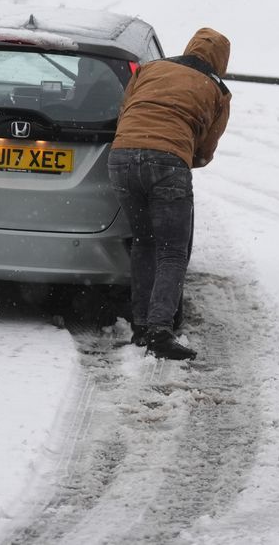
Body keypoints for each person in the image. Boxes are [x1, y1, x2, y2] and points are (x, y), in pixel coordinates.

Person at [108, 28, 232, 360]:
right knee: (172, 251)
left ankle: (140, 325)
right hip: (168, 162)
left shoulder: (151, 69)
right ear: (221, 61)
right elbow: (205, 148)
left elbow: (125, 111)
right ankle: (160, 331)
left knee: (144, 242)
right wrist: (182, 157)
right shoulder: (217, 89)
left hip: (121, 157)